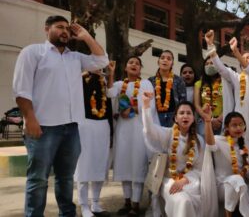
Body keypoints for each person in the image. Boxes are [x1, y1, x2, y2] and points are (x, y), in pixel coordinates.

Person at [12, 15, 108, 216]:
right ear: (47, 29)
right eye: (59, 27)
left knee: (65, 179)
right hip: (42, 128)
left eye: (67, 28)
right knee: (38, 179)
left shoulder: (75, 57)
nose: (65, 31)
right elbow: (21, 90)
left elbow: (102, 60)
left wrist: (86, 37)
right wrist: (30, 119)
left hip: (71, 128)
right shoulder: (33, 52)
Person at [107, 56, 159, 216]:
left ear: (140, 68)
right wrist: (111, 73)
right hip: (123, 130)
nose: (134, 65)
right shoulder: (119, 84)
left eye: (137, 63)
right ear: (126, 68)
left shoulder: (146, 84)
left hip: (139, 128)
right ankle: (127, 202)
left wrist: (134, 110)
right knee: (124, 164)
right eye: (131, 62)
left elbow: (151, 106)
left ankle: (136, 205)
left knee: (137, 164)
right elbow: (109, 93)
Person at [205, 30, 249, 167]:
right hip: (237, 116)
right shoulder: (236, 77)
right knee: (234, 149)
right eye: (244, 57)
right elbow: (220, 68)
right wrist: (210, 45)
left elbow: (247, 68)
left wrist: (236, 51)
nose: (245, 59)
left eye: (248, 58)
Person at [142, 93, 204, 217]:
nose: (185, 116)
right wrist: (146, 105)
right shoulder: (168, 134)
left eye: (188, 113)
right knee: (184, 201)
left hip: (190, 181)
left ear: (193, 118)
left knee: (194, 195)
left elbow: (200, 169)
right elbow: (149, 130)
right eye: (181, 113)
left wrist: (184, 180)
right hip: (169, 179)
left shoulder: (199, 140)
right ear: (175, 118)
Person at [203, 109, 249, 217]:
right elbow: (209, 144)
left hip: (242, 186)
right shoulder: (218, 140)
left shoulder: (245, 144)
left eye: (241, 125)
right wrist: (208, 122)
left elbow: (247, 169)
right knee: (236, 179)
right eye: (234, 125)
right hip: (222, 186)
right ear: (226, 127)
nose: (238, 128)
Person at [74, 66, 113, 217]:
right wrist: (87, 72)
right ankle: (84, 206)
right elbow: (70, 85)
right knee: (84, 165)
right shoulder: (81, 78)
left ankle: (95, 203)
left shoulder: (104, 81)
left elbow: (109, 106)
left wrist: (111, 133)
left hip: (103, 124)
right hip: (85, 123)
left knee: (100, 164)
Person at [149, 50, 187, 127]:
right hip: (155, 117)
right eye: (162, 58)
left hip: (174, 118)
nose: (165, 60)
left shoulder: (179, 80)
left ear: (172, 63)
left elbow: (183, 102)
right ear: (158, 61)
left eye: (169, 59)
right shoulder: (150, 81)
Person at [194, 57, 224, 136]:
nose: (209, 66)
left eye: (212, 63)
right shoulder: (198, 84)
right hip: (204, 120)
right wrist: (208, 119)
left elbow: (229, 102)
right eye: (207, 64)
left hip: (222, 120)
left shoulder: (224, 82)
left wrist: (219, 120)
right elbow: (197, 104)